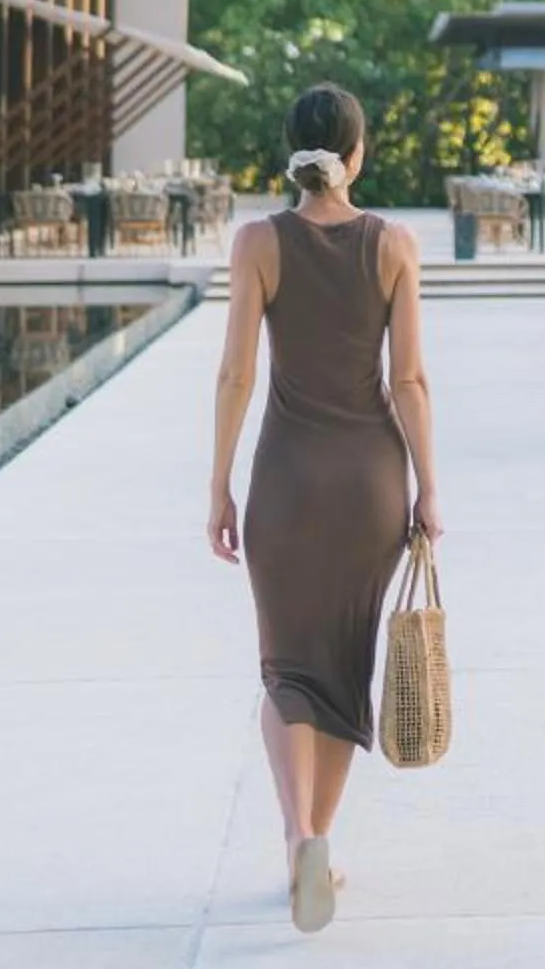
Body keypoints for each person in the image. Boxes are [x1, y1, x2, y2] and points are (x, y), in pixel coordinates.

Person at [205, 83, 441, 935]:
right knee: (344, 669)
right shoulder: (395, 244)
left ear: (291, 151)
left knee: (287, 671)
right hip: (370, 484)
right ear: (359, 151)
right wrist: (428, 488)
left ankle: (297, 835)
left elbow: (236, 374)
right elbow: (409, 381)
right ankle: (323, 840)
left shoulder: (258, 242)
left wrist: (218, 485)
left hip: (288, 482)